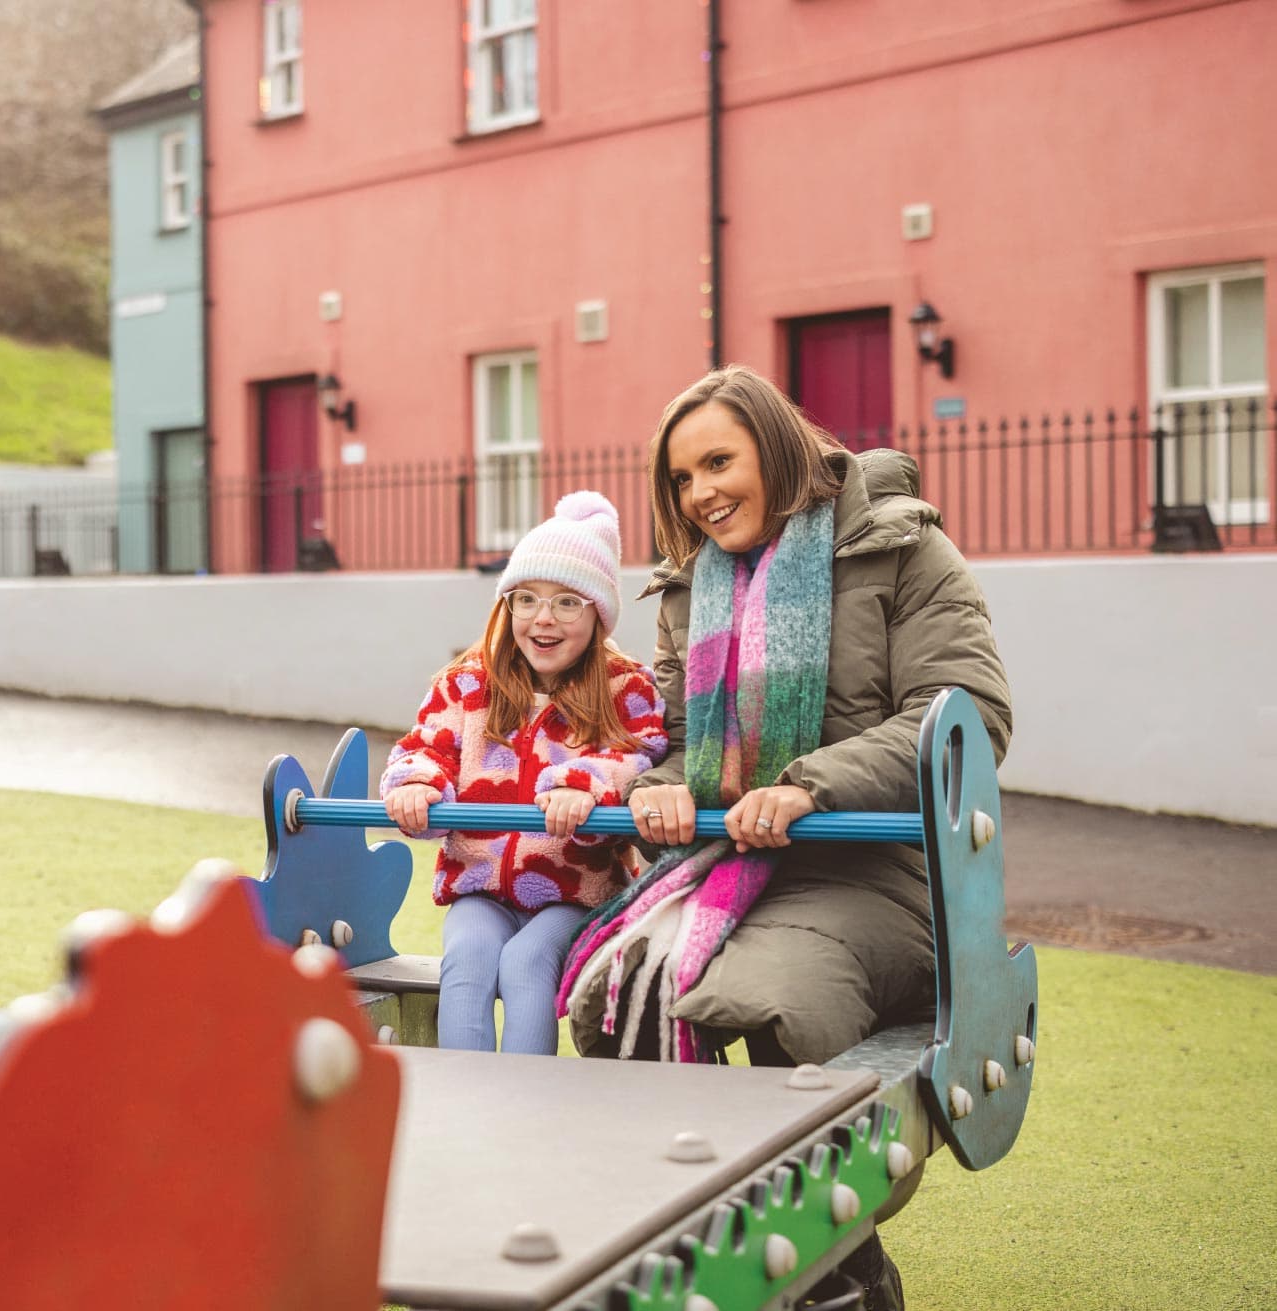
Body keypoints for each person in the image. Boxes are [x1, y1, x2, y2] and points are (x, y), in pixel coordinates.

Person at [554, 366, 1011, 1310]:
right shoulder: (693, 582)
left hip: (876, 870)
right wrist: (661, 792)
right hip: (732, 865)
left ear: (777, 444)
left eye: (719, 461)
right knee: (617, 991)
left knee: (772, 1002)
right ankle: (690, 1240)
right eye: (682, 478)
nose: (701, 493)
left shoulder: (902, 551)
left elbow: (965, 715)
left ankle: (839, 1270)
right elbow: (684, 745)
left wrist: (809, 787)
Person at [381, 490, 668, 1055]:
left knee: (528, 961)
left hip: (575, 890)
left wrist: (582, 783)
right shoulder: (468, 684)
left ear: (598, 613)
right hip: (481, 885)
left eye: (568, 603)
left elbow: (641, 753)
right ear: (506, 604)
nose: (543, 618)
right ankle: (469, 1097)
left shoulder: (625, 687)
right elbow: (425, 746)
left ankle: (525, 1100)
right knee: (468, 959)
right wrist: (416, 781)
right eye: (527, 598)